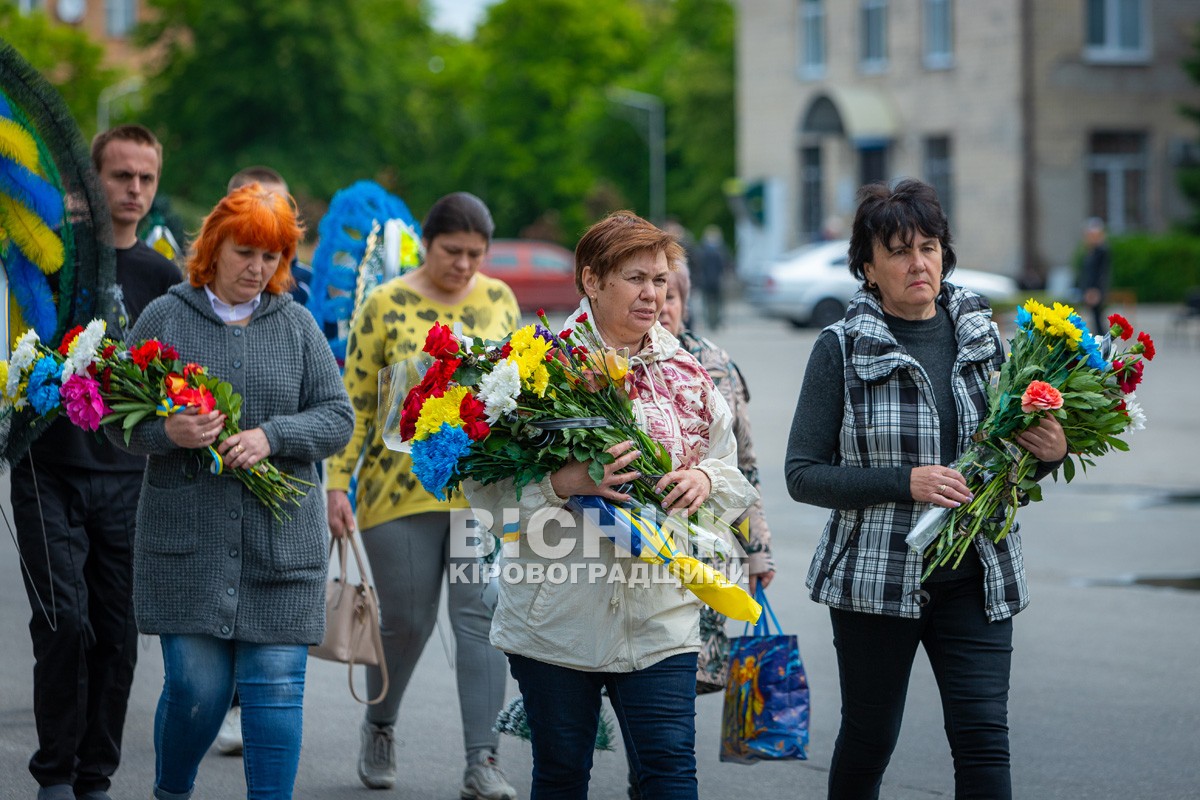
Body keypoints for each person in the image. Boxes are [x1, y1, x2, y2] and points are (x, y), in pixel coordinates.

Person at [784, 179, 1067, 799]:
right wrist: (904, 482)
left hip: (978, 573)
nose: (919, 262)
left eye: (930, 247)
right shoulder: (840, 348)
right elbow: (802, 474)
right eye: (899, 251)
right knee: (869, 736)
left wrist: (1050, 454)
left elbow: (1004, 464)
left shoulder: (986, 338)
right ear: (867, 267)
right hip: (876, 582)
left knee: (984, 737)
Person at [464, 211, 758, 799]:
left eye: (660, 279)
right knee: (562, 776)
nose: (653, 293)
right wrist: (563, 483)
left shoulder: (689, 373)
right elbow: (491, 506)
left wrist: (703, 479)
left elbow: (732, 474)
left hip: (660, 620)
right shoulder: (533, 372)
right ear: (591, 280)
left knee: (670, 775)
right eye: (635, 278)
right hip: (557, 619)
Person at [112, 184, 354, 799]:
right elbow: (117, 419)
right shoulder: (165, 318)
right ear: (215, 247)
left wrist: (274, 436)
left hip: (281, 548)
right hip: (187, 550)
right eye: (246, 252)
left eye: (271, 257)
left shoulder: (297, 325)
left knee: (275, 689)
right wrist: (168, 431)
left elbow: (337, 418)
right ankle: (172, 790)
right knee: (197, 690)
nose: (258, 268)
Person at [325, 192, 521, 798]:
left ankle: (481, 760)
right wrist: (337, 482)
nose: (463, 264)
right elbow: (355, 400)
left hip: (478, 495)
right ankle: (380, 724)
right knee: (407, 622)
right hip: (396, 491)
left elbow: (516, 391)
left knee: (480, 617)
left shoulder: (498, 301)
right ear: (427, 244)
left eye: (475, 254)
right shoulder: (384, 304)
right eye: (451, 251)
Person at [12, 123, 181, 800]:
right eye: (121, 176)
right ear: (93, 177)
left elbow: (179, 380)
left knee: (115, 632)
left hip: (129, 479)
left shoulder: (164, 280)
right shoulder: (53, 262)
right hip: (45, 467)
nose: (134, 190)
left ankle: (95, 776)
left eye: (146, 178)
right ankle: (54, 774)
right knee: (64, 621)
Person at [694, 224, 730, 330]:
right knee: (717, 303)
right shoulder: (721, 250)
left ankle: (709, 322)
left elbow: (698, 265)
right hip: (717, 280)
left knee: (707, 302)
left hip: (705, 280)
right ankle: (716, 322)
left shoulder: (702, 249)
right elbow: (725, 264)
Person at [1078, 217, 1110, 335]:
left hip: (1095, 290)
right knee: (1095, 320)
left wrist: (1095, 290)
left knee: (1098, 320)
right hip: (1089, 289)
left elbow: (1101, 273)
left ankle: (1105, 345)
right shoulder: (1091, 251)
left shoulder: (1102, 251)